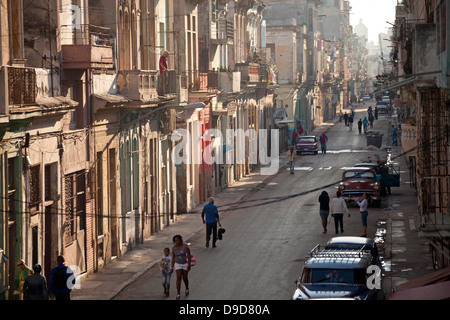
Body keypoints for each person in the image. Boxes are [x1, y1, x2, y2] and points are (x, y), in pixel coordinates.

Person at [171, 235, 191, 300]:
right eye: (175, 241)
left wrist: (189, 264)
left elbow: (189, 255)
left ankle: (187, 288)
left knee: (185, 278)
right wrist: (172, 267)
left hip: (185, 263)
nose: (176, 242)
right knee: (178, 277)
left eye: (178, 240)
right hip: (177, 263)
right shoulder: (174, 248)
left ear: (181, 240)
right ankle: (178, 293)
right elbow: (173, 257)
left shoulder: (185, 246)